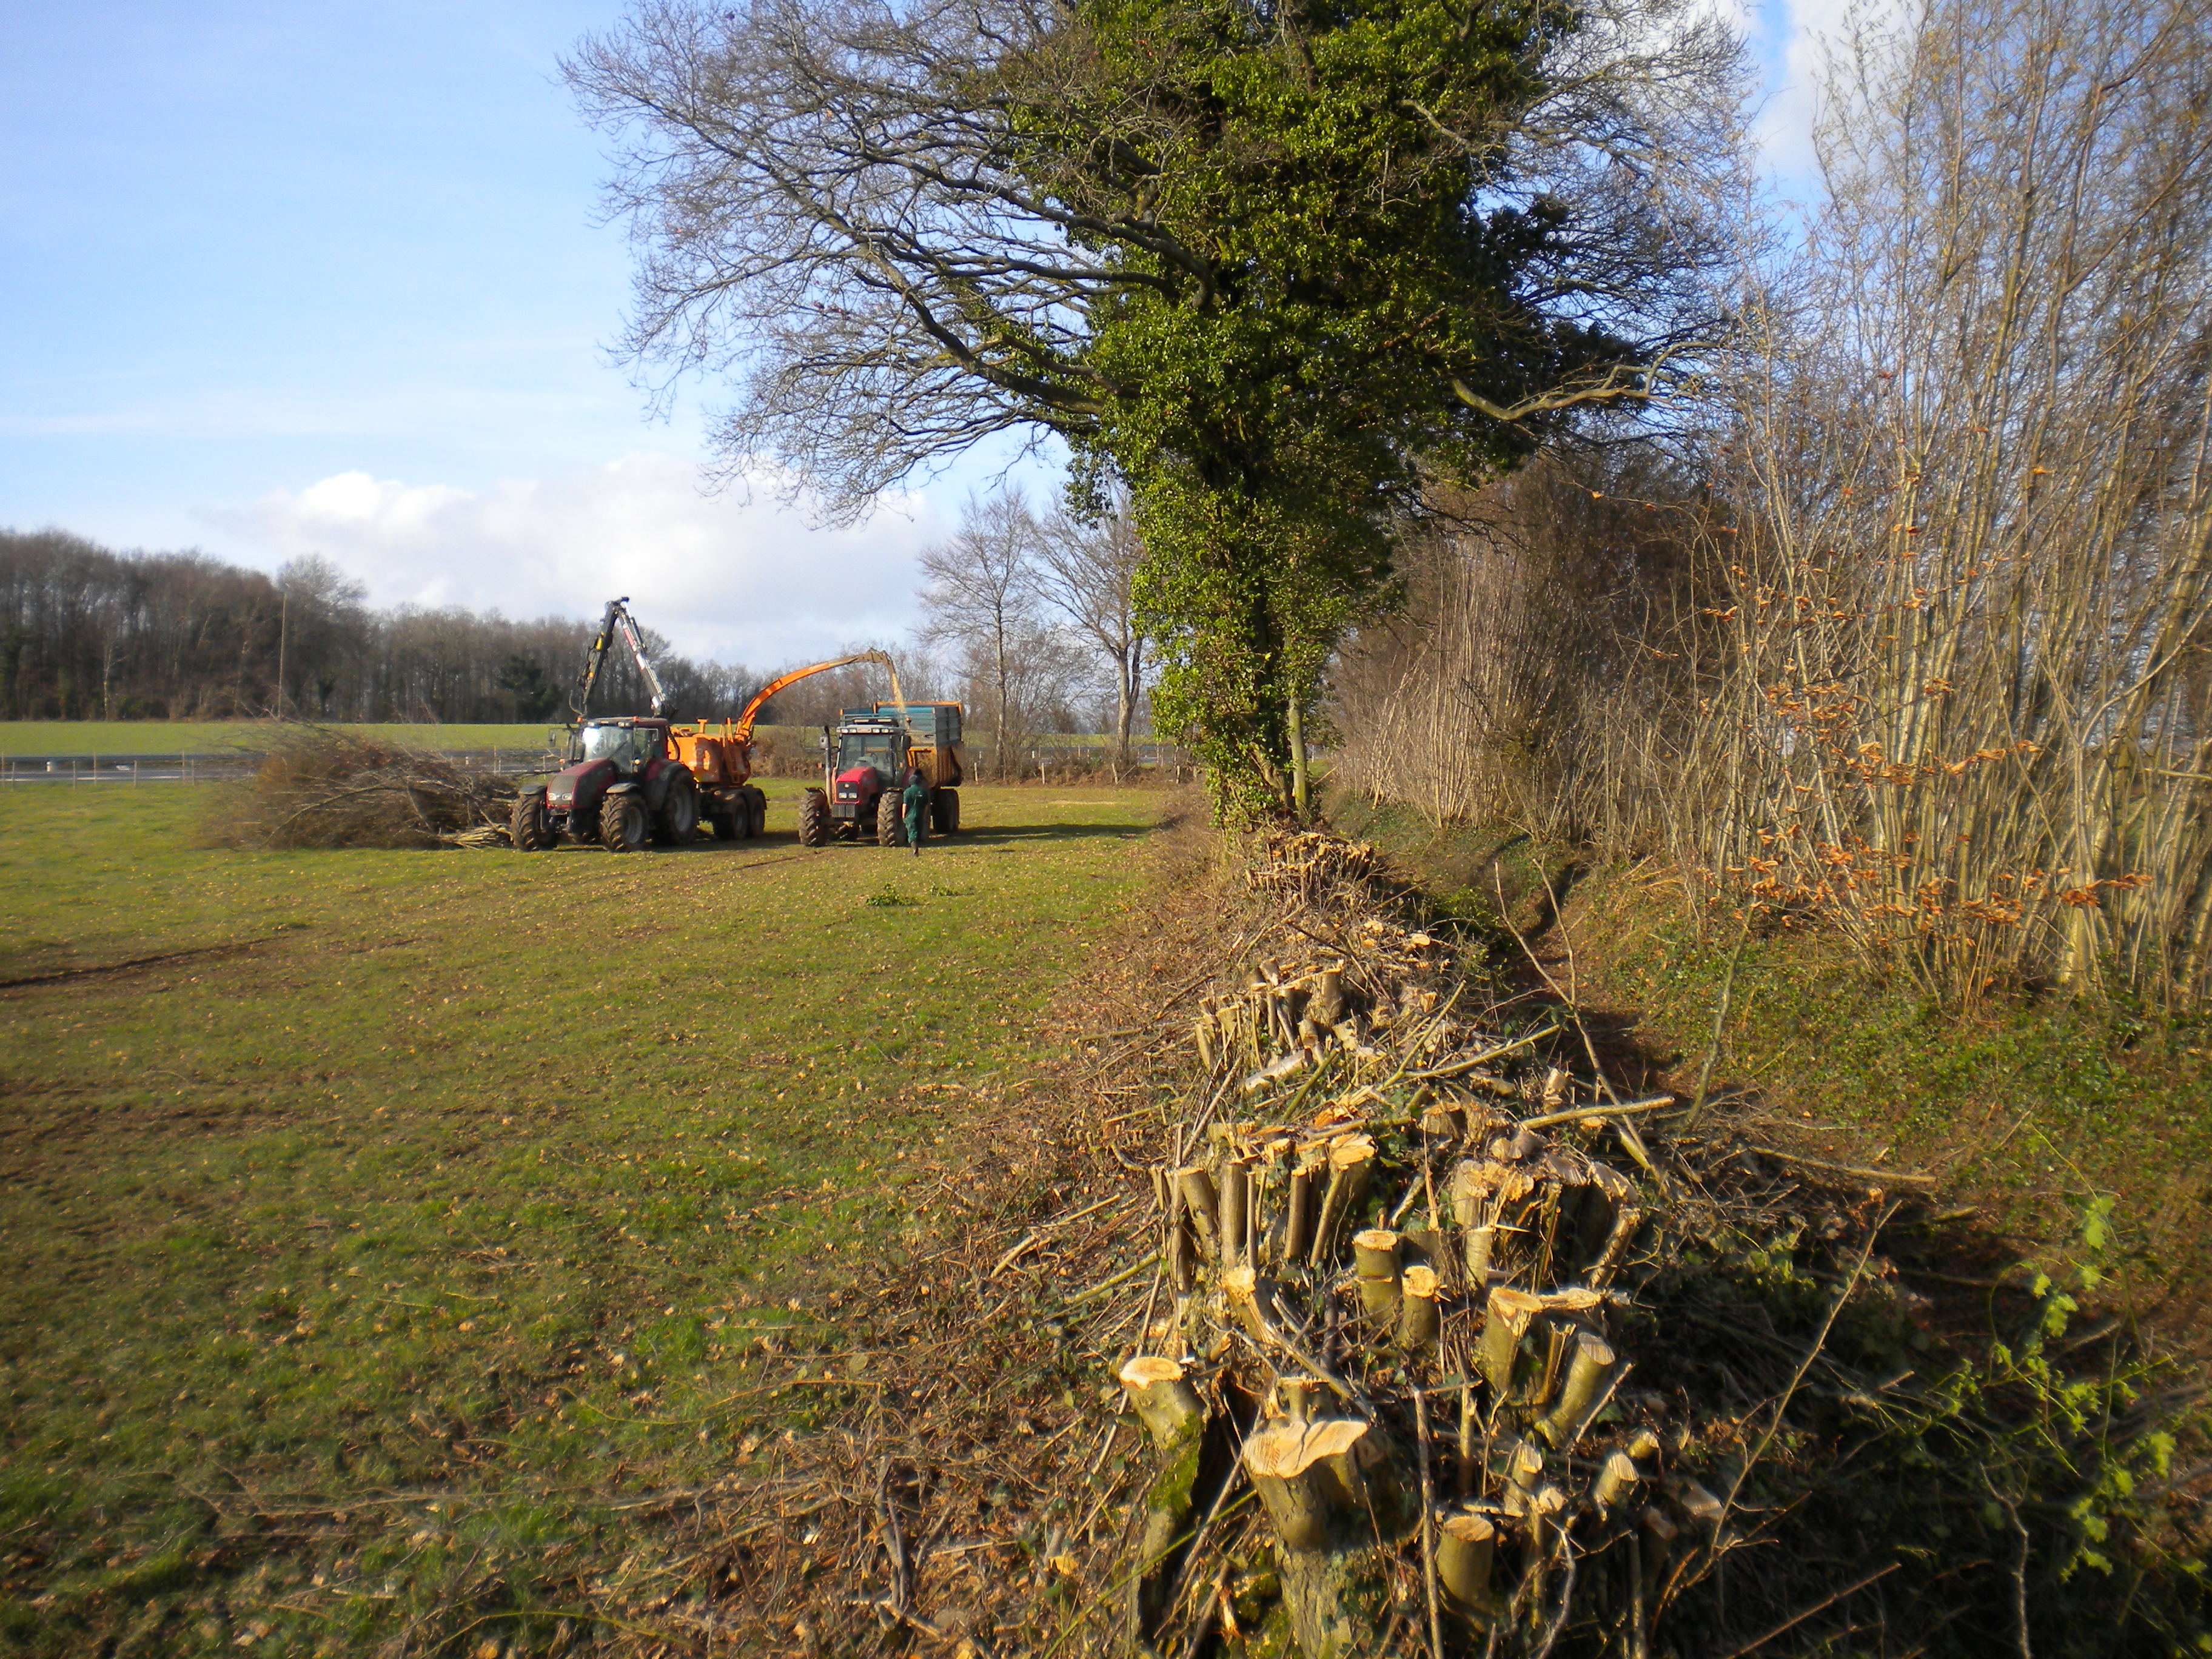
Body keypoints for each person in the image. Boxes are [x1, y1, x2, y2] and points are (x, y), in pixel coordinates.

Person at [901, 766, 930, 855]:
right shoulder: (924, 792)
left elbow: (905, 805)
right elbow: (926, 806)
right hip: (920, 814)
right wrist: (924, 815)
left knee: (912, 831)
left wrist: (903, 815)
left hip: (911, 815)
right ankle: (918, 845)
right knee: (918, 830)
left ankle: (915, 851)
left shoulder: (907, 792)